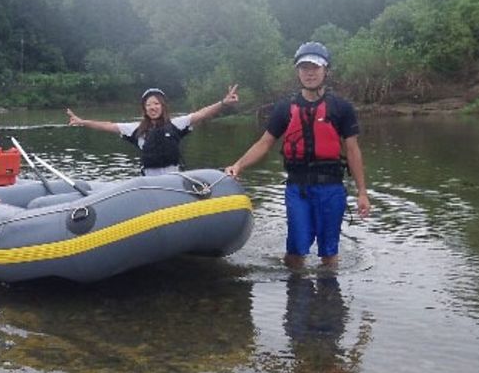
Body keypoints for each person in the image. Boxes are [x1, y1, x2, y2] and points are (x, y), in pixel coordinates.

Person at [225, 42, 371, 269]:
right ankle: (296, 294)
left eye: (315, 67)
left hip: (331, 188)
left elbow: (352, 150)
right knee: (295, 251)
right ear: (298, 72)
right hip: (298, 189)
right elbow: (264, 143)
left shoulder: (341, 108)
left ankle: (329, 299)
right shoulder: (285, 108)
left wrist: (362, 192)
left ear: (326, 70)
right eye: (304, 68)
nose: (310, 73)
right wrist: (238, 165)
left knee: (329, 253)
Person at [66, 85, 239, 176]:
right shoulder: (135, 129)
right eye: (148, 105)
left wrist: (223, 103)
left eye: (156, 103)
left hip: (174, 179)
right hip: (150, 183)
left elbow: (201, 114)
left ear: (163, 106)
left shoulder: (177, 124)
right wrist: (82, 121)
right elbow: (107, 126)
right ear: (144, 109)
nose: (152, 107)